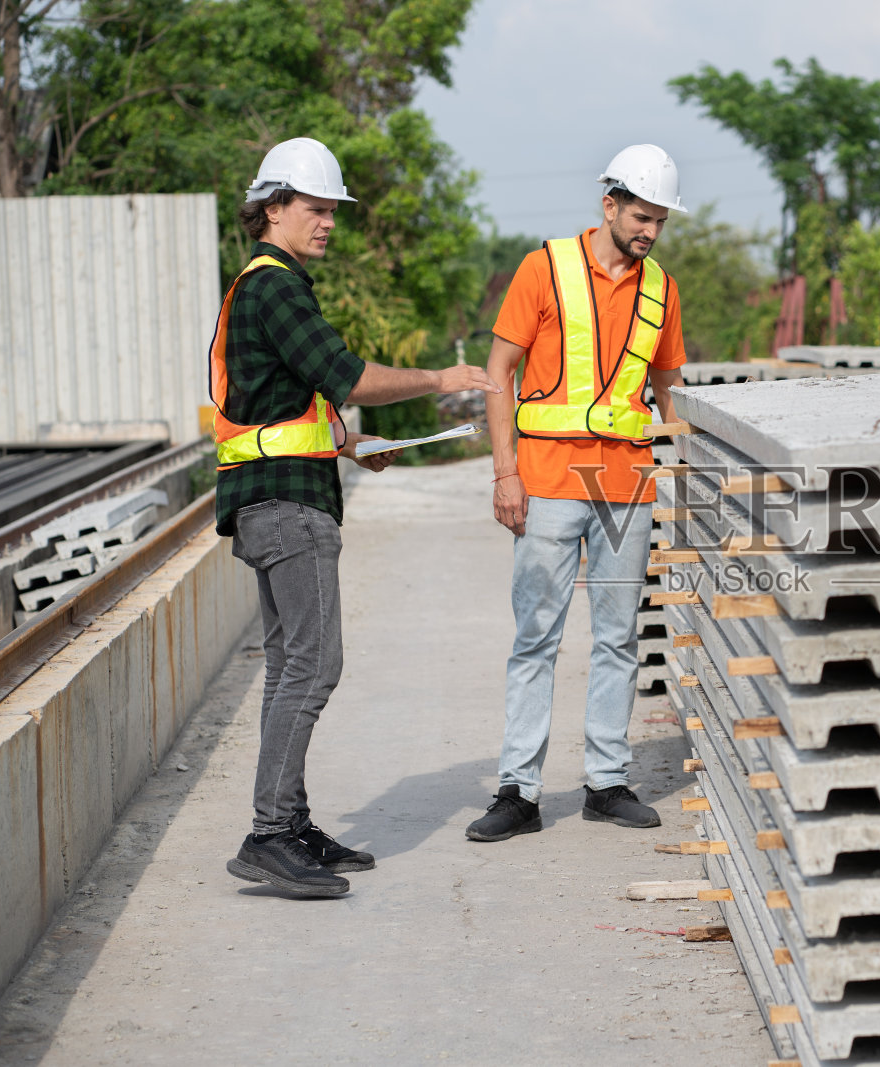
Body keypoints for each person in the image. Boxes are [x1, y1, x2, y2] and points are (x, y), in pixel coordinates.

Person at [215, 136, 498, 897]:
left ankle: (289, 820)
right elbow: (346, 375)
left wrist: (349, 442)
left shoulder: (264, 285)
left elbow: (282, 405)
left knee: (288, 667)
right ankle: (271, 833)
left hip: (272, 498)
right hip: (287, 508)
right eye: (316, 208)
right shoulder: (276, 286)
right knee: (313, 666)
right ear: (273, 207)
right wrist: (441, 376)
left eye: (333, 210)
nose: (329, 221)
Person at [465, 144, 689, 842]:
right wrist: (505, 473)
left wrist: (688, 482)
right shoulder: (545, 269)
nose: (649, 230)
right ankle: (519, 791)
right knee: (537, 636)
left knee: (620, 637)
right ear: (610, 204)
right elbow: (499, 372)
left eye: (659, 220)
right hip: (547, 483)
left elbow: (671, 392)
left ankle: (607, 782)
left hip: (627, 488)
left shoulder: (662, 290)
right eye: (641, 215)